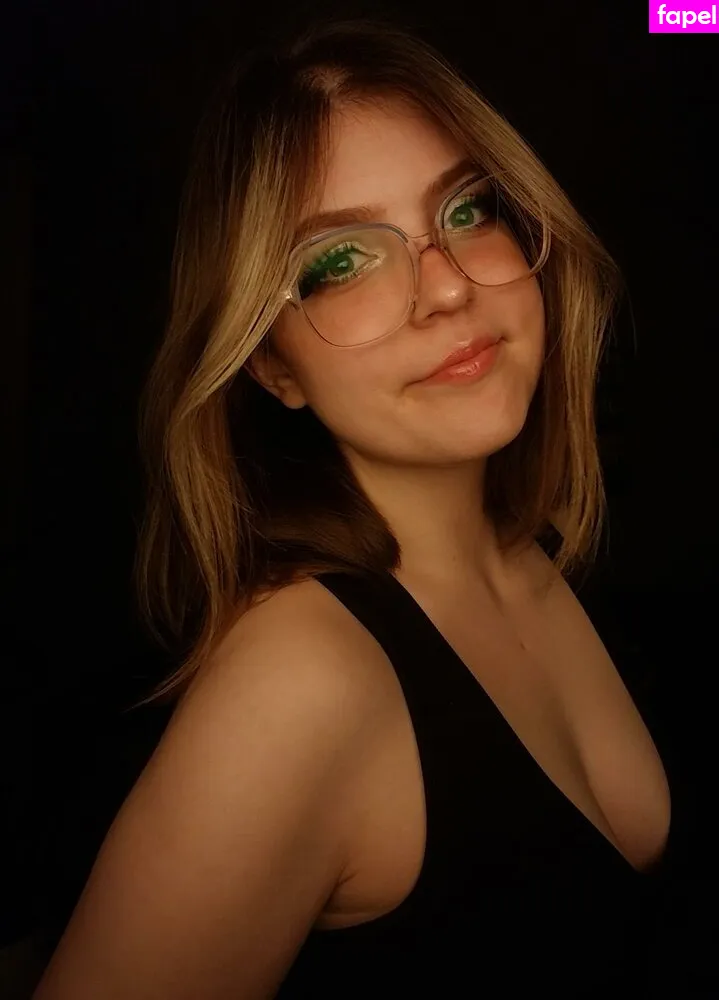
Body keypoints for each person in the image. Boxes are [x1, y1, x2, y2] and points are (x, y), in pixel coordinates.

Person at [32, 14, 674, 999]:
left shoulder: (544, 551)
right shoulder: (297, 686)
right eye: (339, 262)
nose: (446, 288)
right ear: (271, 365)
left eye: (467, 210)